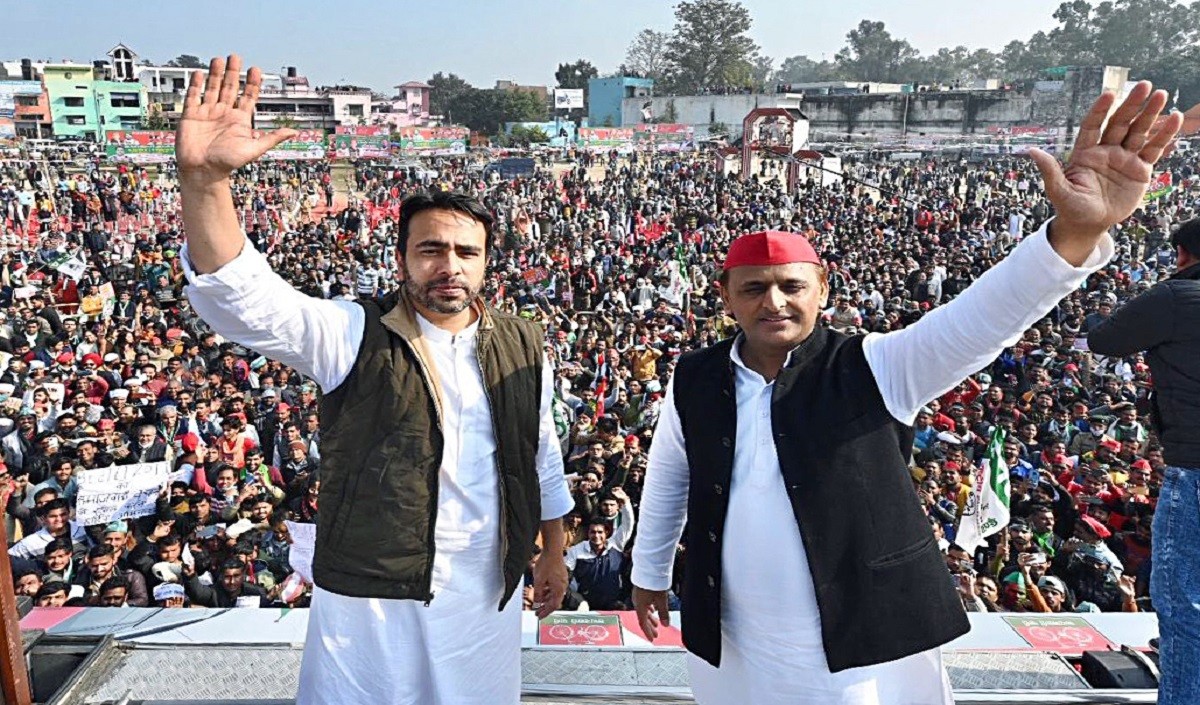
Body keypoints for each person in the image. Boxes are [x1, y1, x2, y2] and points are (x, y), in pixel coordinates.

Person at [631, 83, 1181, 705]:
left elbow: (982, 320)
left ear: (822, 289)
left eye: (791, 285)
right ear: (726, 296)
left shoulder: (877, 364)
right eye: (754, 288)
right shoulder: (695, 375)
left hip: (858, 637)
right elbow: (670, 474)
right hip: (733, 631)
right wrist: (650, 573)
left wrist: (1072, 234)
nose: (774, 302)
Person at [176, 55, 573, 705]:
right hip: (372, 601)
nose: (449, 266)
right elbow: (246, 302)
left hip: (483, 593)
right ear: (401, 258)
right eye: (430, 249)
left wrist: (552, 549)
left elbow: (540, 455)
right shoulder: (353, 333)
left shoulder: (522, 342)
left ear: (487, 262)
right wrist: (205, 185)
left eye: (466, 251)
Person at [1087, 216, 1200, 704]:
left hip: (1194, 466)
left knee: (1183, 602)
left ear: (1182, 254)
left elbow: (1104, 339)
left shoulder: (1176, 297)